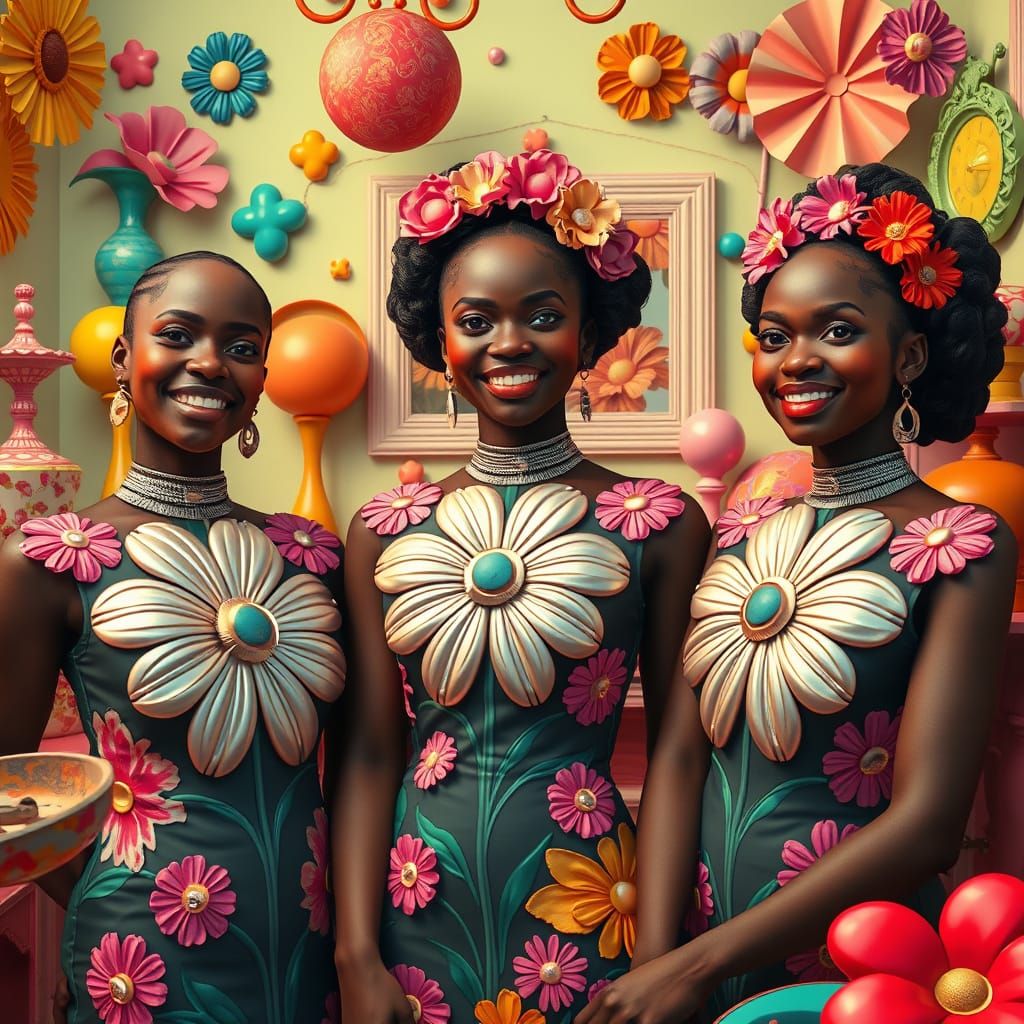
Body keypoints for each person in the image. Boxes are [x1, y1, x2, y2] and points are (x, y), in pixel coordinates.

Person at [579, 163, 1018, 1024]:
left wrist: (694, 966)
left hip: (862, 966)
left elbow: (928, 824)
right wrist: (661, 963)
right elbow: (678, 757)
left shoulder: (963, 542)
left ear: (912, 355)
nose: (796, 362)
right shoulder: (741, 532)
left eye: (838, 330)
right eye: (774, 338)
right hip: (696, 966)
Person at [331, 150, 711, 1023]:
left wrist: (659, 955)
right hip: (413, 906)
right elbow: (369, 754)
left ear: (590, 329)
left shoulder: (656, 520)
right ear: (439, 337)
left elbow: (680, 752)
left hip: (594, 898)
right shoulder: (383, 530)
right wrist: (357, 957)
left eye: (543, 315)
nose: (509, 343)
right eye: (477, 319)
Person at [0, 251, 346, 1024]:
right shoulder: (48, 559)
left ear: (262, 381)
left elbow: (355, 771)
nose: (210, 363)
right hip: (138, 956)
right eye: (179, 335)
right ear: (125, 360)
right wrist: (100, 891)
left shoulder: (312, 557)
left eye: (242, 346)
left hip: (310, 948)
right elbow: (3, 779)